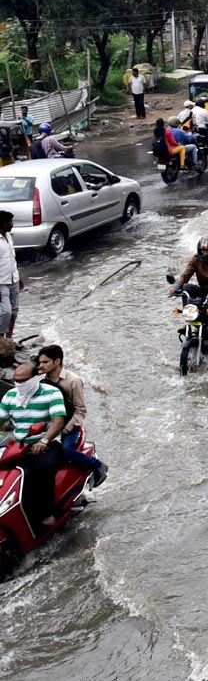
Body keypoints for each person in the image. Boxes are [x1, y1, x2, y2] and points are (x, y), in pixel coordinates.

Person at [0, 366, 66, 527]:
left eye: (23, 380)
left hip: (46, 445)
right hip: (18, 447)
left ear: (34, 378)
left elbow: (58, 421)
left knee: (41, 469)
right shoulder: (10, 396)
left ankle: (46, 513)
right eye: (16, 380)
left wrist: (43, 441)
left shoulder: (52, 393)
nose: (19, 384)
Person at [32, 345, 106, 485]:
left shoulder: (73, 381)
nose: (41, 365)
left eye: (45, 362)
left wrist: (66, 429)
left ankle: (97, 465)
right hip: (48, 423)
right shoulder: (40, 380)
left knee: (67, 451)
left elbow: (80, 410)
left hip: (69, 424)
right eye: (40, 362)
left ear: (57, 361)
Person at [0, 211, 22, 339]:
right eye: (10, 222)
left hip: (13, 279)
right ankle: (1, 338)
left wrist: (18, 277)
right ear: (2, 224)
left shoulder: (8, 237)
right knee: (5, 312)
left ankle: (9, 338)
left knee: (14, 311)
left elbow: (11, 258)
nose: (12, 224)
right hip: (1, 282)